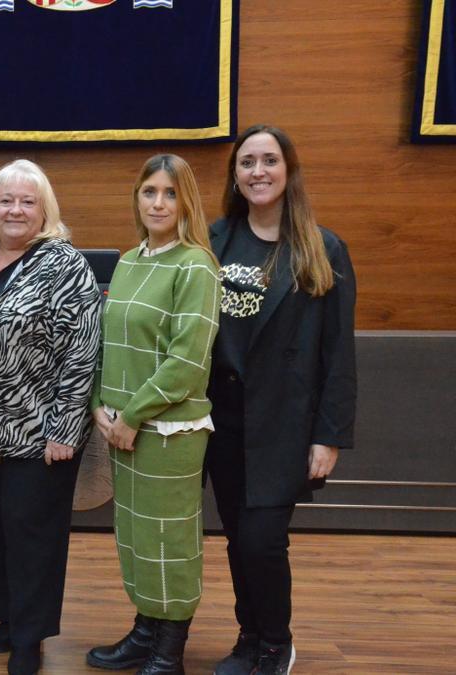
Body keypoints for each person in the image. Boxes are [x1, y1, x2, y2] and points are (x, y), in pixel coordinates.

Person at [205, 125, 356, 675]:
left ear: (288, 170)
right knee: (237, 538)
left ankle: (276, 642)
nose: (258, 171)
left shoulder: (322, 247)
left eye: (269, 160)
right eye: (247, 162)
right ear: (235, 175)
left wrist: (329, 434)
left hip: (285, 423)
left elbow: (338, 353)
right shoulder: (213, 239)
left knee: (264, 540)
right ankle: (249, 635)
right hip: (220, 418)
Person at [0, 159, 101, 675]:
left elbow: (82, 352)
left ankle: (31, 637)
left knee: (33, 532)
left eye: (27, 201)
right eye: (6, 200)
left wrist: (64, 428)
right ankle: (7, 616)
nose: (15, 209)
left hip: (38, 432)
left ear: (44, 210)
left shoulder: (63, 264)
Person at [87, 154, 220, 675]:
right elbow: (108, 341)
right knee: (136, 535)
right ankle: (145, 631)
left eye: (169, 193)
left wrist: (133, 415)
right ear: (137, 198)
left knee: (170, 539)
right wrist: (101, 404)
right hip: (122, 427)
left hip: (167, 431)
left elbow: (187, 362)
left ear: (185, 200)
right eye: (149, 192)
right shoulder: (128, 261)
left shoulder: (196, 265)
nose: (158, 202)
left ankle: (170, 651)